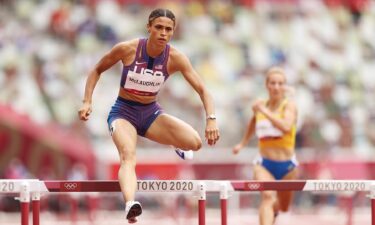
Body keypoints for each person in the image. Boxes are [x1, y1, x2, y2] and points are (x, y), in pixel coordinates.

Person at [78, 8, 220, 223]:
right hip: (123, 112)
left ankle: (176, 143)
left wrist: (211, 119)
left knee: (195, 143)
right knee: (128, 156)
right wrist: (87, 101)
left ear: (173, 32)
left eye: (168, 29)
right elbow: (97, 69)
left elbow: (203, 90)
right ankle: (130, 204)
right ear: (149, 28)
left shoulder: (176, 58)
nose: (163, 33)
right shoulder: (128, 49)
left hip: (151, 113)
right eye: (159, 27)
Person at [232, 67, 298, 225]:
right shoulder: (260, 106)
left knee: (283, 207)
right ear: (267, 85)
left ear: (284, 86)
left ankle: (274, 213)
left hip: (287, 165)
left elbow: (286, 126)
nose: (276, 87)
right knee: (267, 197)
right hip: (264, 164)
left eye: (280, 83)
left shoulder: (289, 106)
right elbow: (253, 123)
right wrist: (242, 143)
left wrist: (263, 110)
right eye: (273, 83)